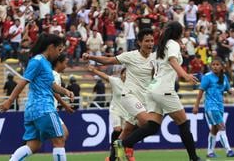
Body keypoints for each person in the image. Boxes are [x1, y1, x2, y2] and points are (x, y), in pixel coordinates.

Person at [113, 21, 200, 161]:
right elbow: (172, 60)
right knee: (184, 123)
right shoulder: (172, 44)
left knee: (152, 126)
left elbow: (167, 60)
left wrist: (180, 49)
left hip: (152, 89)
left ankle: (123, 143)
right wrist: (185, 75)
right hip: (164, 89)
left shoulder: (163, 45)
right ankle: (194, 158)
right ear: (179, 33)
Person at [83, 28, 157, 161]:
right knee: (149, 124)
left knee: (126, 131)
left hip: (143, 101)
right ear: (139, 42)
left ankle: (112, 158)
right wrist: (91, 57)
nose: (150, 43)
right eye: (147, 41)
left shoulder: (154, 58)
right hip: (129, 96)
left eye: (152, 40)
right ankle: (126, 146)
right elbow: (108, 60)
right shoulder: (130, 56)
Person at [0, 33, 74, 161]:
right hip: (44, 108)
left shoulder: (44, 63)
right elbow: (23, 81)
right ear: (51, 47)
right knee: (59, 140)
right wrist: (10, 100)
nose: (59, 53)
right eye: (59, 49)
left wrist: (65, 91)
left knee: (33, 146)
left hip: (33, 110)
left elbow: (50, 84)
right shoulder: (38, 61)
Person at [193, 57, 234, 158]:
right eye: (213, 65)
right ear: (210, 66)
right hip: (210, 106)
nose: (215, 66)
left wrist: (231, 91)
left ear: (222, 66)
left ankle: (210, 152)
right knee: (222, 126)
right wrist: (196, 106)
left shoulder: (224, 77)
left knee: (214, 129)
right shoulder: (207, 77)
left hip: (220, 106)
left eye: (217, 65)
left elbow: (227, 89)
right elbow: (201, 91)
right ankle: (228, 150)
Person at [88, 65, 128, 161]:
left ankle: (117, 155)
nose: (126, 75)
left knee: (123, 134)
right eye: (124, 73)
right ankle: (113, 151)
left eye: (128, 74)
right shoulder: (115, 81)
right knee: (117, 129)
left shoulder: (132, 84)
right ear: (121, 74)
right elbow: (105, 76)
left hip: (126, 112)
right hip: (115, 110)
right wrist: (94, 70)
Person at [51, 52, 75, 141]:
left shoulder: (53, 74)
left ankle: (16, 155)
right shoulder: (54, 75)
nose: (66, 65)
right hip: (48, 110)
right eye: (65, 63)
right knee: (62, 135)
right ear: (58, 63)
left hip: (49, 109)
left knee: (33, 142)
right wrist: (65, 105)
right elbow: (54, 91)